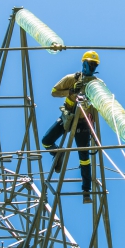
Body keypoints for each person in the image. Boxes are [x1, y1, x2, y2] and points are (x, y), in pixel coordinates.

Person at [42, 51, 101, 204]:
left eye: (94, 65)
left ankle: (86, 190)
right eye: (90, 64)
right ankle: (57, 154)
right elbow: (54, 92)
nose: (92, 67)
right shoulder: (71, 79)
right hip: (67, 117)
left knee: (84, 159)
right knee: (46, 141)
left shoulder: (96, 85)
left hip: (83, 124)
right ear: (84, 64)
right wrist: (70, 92)